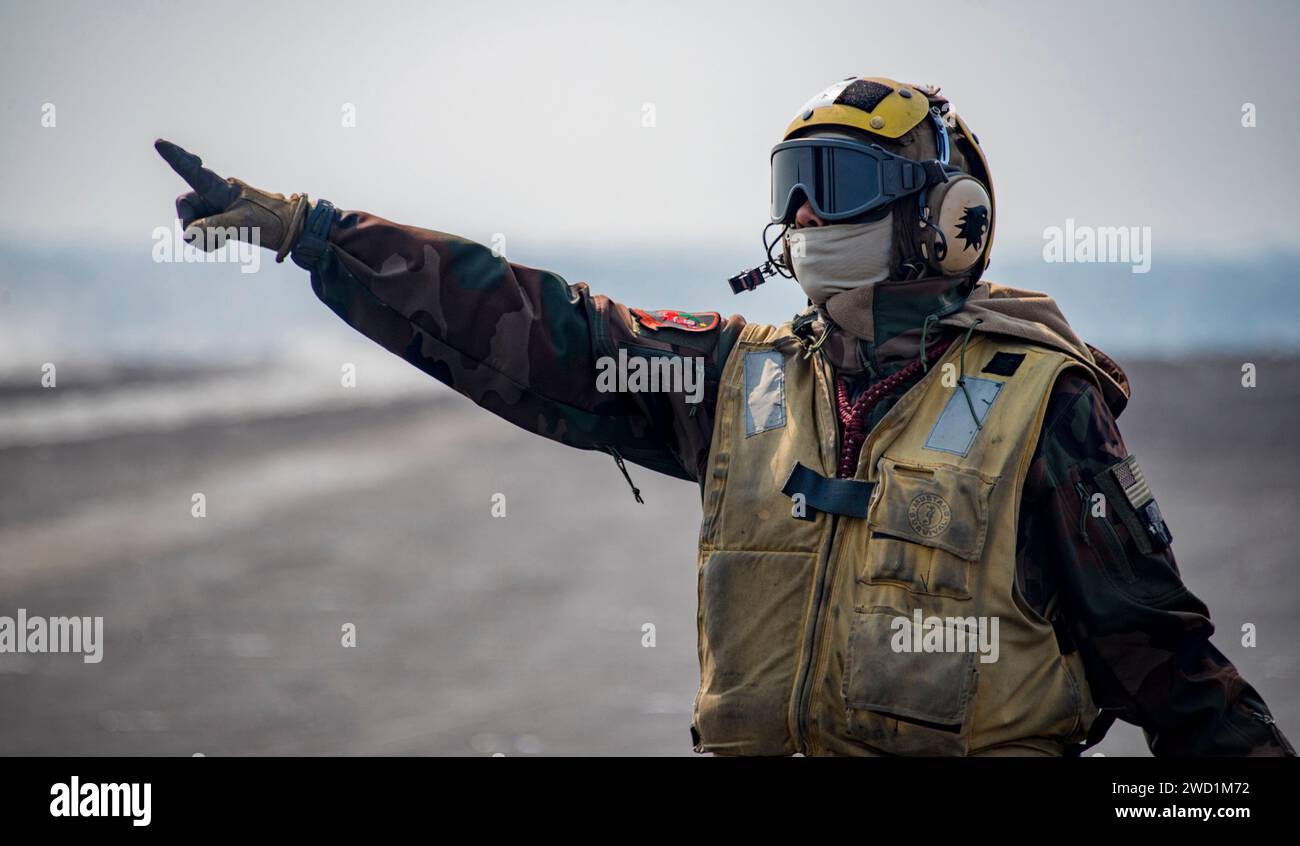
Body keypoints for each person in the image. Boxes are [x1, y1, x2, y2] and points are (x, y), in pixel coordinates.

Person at [156, 75, 1294, 757]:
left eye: (836, 185)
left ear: (947, 219)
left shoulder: (1041, 408)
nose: (802, 213)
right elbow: (539, 332)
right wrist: (314, 234)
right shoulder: (737, 379)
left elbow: (1169, 669)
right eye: (790, 182)